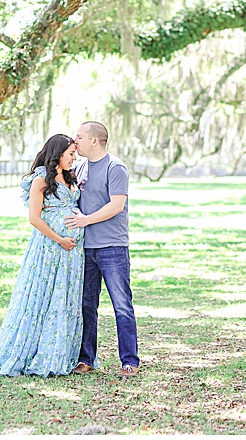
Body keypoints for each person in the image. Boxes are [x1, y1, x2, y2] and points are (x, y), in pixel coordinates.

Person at [0, 134, 85, 377]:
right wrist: (60, 239)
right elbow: (34, 218)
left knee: (64, 299)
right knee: (42, 298)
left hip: (72, 254)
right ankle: (34, 353)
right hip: (50, 249)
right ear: (58, 154)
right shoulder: (40, 180)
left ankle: (59, 353)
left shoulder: (71, 177)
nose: (74, 158)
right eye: (71, 153)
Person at [66, 121, 140, 377]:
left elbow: (116, 205)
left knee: (122, 305)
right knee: (87, 305)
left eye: (79, 137)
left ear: (94, 140)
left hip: (112, 248)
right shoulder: (80, 167)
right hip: (86, 249)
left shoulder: (115, 167)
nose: (75, 142)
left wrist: (85, 219)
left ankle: (129, 361)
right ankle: (86, 359)